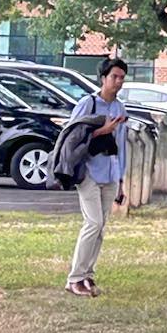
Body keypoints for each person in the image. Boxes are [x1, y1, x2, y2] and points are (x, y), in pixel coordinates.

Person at [65, 56, 129, 298]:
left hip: (110, 173)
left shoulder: (120, 108)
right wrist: (102, 131)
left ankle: (87, 274)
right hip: (89, 171)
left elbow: (121, 144)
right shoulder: (88, 104)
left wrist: (121, 179)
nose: (118, 82)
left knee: (101, 227)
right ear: (103, 78)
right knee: (93, 223)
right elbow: (71, 137)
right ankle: (74, 278)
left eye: (122, 77)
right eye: (114, 77)